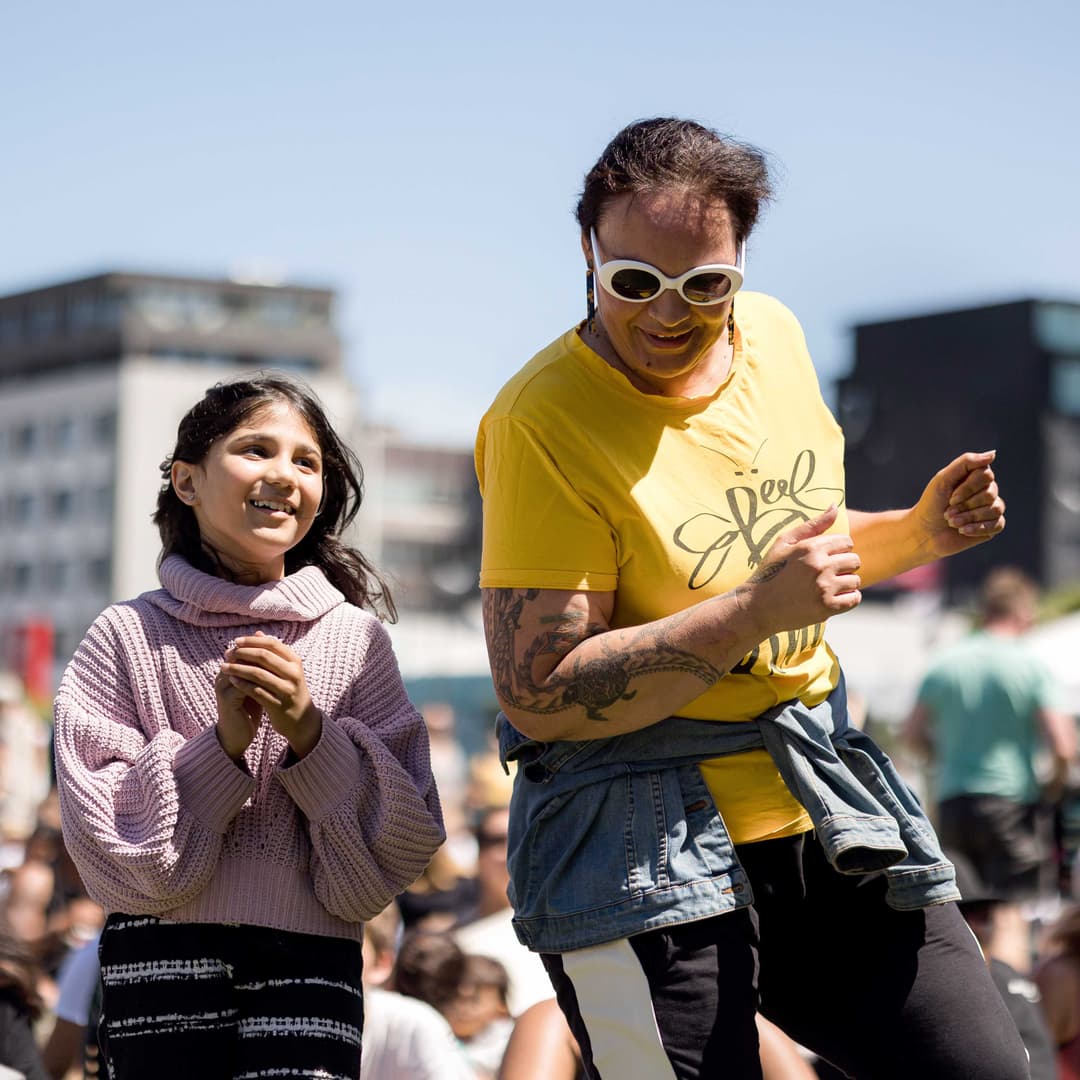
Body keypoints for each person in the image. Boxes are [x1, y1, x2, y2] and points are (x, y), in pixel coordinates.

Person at [475, 117, 1028, 1079]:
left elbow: (784, 547)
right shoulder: (540, 421)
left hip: (824, 807)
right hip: (636, 843)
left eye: (706, 284)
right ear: (587, 251)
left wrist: (919, 534)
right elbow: (541, 689)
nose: (668, 314)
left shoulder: (775, 335)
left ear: (741, 264)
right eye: (634, 282)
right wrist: (753, 617)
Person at [52, 374, 445, 1079]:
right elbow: (109, 857)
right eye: (256, 449)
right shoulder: (124, 637)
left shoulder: (357, 641)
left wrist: (313, 735)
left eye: (307, 461)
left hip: (314, 963)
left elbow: (395, 856)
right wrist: (221, 749)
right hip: (157, 961)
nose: (283, 475)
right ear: (187, 480)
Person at [905, 567, 1075, 902]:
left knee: (964, 909)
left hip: (952, 801)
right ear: (1023, 611)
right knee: (1014, 910)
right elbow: (1064, 745)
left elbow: (912, 734)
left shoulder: (945, 662)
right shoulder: (1030, 664)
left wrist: (946, 757)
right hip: (1011, 802)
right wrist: (1053, 786)